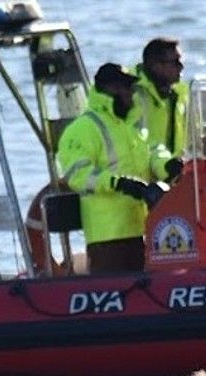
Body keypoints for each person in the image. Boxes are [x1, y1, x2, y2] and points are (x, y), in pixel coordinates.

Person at [56, 62, 171, 273]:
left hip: (142, 228)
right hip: (107, 235)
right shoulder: (83, 128)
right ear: (113, 89)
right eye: (128, 88)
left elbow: (153, 152)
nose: (132, 95)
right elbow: (78, 175)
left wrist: (168, 165)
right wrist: (118, 183)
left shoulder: (128, 126)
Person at [132, 38, 189, 177]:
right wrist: (166, 168)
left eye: (181, 61)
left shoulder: (179, 94)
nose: (181, 67)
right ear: (156, 66)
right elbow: (138, 144)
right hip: (143, 182)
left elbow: (193, 132)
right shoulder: (134, 96)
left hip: (173, 176)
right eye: (176, 62)